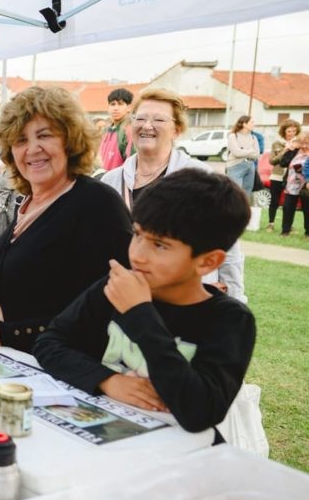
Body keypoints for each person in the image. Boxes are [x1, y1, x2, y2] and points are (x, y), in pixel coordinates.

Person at [34, 168, 255, 434]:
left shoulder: (229, 320)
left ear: (208, 261)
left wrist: (139, 313)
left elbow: (200, 412)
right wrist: (107, 380)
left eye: (160, 245)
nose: (138, 255)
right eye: (137, 234)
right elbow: (50, 343)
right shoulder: (113, 287)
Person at [0, 86, 132, 353]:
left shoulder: (98, 204)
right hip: (5, 361)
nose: (32, 149)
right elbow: (20, 274)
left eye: (45, 135)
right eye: (20, 140)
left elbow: (104, 309)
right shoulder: (27, 201)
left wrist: (7, 334)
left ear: (70, 140)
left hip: (55, 372)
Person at [100, 88, 247, 300]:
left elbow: (228, 243)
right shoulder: (111, 180)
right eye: (140, 118)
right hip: (130, 295)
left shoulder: (199, 177)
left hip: (187, 297)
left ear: (177, 130)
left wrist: (234, 295)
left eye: (159, 120)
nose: (147, 126)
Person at [267, 119, 301, 231]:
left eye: (294, 131)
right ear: (284, 131)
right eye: (289, 131)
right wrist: (285, 150)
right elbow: (272, 161)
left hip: (292, 178)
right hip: (277, 176)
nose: (292, 134)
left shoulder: (299, 144)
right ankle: (271, 223)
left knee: (289, 203)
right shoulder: (277, 144)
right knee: (274, 201)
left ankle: (288, 226)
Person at [278, 134, 309, 237]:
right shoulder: (295, 152)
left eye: (307, 143)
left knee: (307, 209)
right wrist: (289, 150)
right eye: (302, 143)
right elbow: (282, 163)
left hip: (306, 186)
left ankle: (308, 233)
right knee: (287, 208)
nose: (304, 146)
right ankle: (285, 231)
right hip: (291, 185)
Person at [97, 88, 133, 172]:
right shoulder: (106, 130)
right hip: (102, 180)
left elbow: (132, 163)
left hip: (118, 181)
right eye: (112, 104)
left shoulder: (130, 130)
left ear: (128, 108)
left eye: (120, 104)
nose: (115, 108)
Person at [225, 115, 259, 201]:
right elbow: (236, 153)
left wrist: (243, 151)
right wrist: (250, 151)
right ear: (244, 124)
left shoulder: (253, 137)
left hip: (250, 166)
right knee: (235, 192)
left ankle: (244, 213)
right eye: (251, 122)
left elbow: (257, 154)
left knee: (247, 193)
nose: (253, 124)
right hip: (235, 166)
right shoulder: (233, 136)